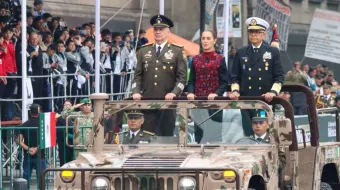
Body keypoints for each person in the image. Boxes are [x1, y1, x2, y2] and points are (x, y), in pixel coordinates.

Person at [131, 14, 187, 136]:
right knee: (147, 138)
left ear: (168, 32)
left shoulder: (177, 51)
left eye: (161, 29)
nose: (157, 32)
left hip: (167, 104)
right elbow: (137, 76)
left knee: (166, 137)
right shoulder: (144, 50)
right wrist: (135, 91)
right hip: (148, 102)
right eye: (155, 29)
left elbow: (182, 79)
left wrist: (174, 93)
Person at [229, 17, 284, 136]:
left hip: (264, 100)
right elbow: (235, 77)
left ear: (263, 35)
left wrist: (273, 92)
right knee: (248, 134)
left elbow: (279, 77)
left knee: (264, 134)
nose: (253, 35)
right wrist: (235, 90)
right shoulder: (241, 52)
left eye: (257, 32)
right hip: (245, 100)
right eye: (251, 32)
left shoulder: (272, 52)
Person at [187, 29, 228, 100]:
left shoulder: (220, 58)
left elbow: (224, 82)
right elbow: (191, 80)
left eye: (208, 38)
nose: (205, 41)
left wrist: (216, 94)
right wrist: (190, 92)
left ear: (214, 41)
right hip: (198, 100)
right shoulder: (195, 59)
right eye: (203, 38)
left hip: (215, 101)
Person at [19, 104, 47, 188]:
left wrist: (29, 149)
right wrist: (36, 148)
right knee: (41, 178)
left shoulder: (24, 125)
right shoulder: (43, 125)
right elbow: (46, 140)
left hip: (28, 155)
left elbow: (20, 141)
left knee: (26, 178)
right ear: (39, 112)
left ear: (30, 112)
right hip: (40, 155)